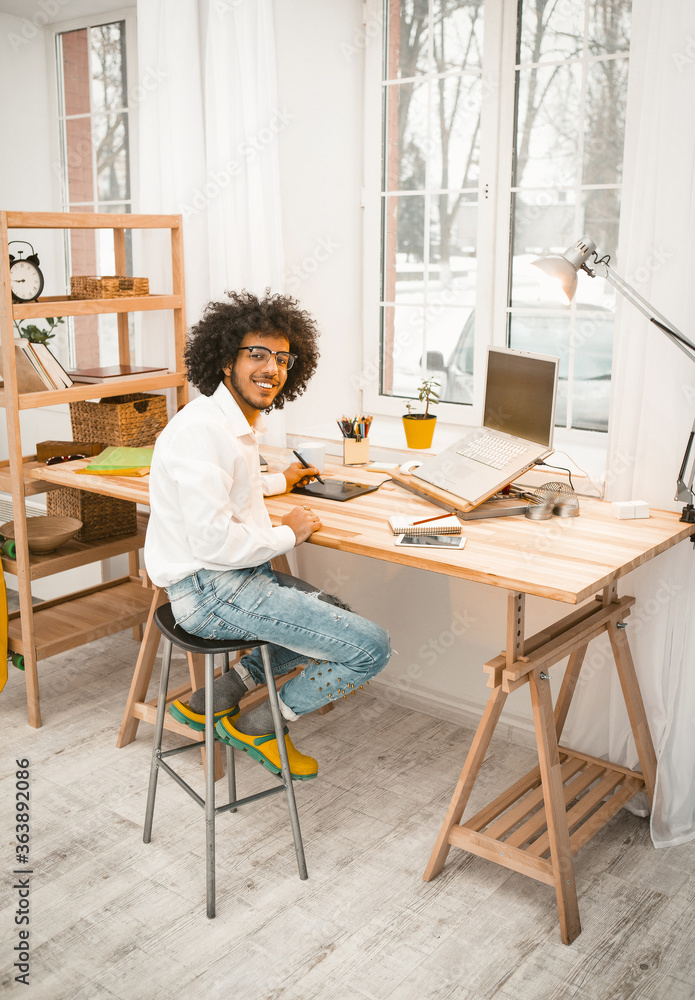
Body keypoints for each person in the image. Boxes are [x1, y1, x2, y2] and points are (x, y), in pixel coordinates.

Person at [144, 290, 391, 780]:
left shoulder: (227, 424)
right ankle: (263, 725)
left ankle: (213, 699)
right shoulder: (202, 433)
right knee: (370, 647)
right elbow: (213, 542)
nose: (272, 368)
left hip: (232, 579)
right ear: (223, 360)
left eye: (281, 358)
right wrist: (288, 535)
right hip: (210, 592)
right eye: (257, 354)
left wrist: (282, 483)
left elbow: (234, 490)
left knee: (332, 614)